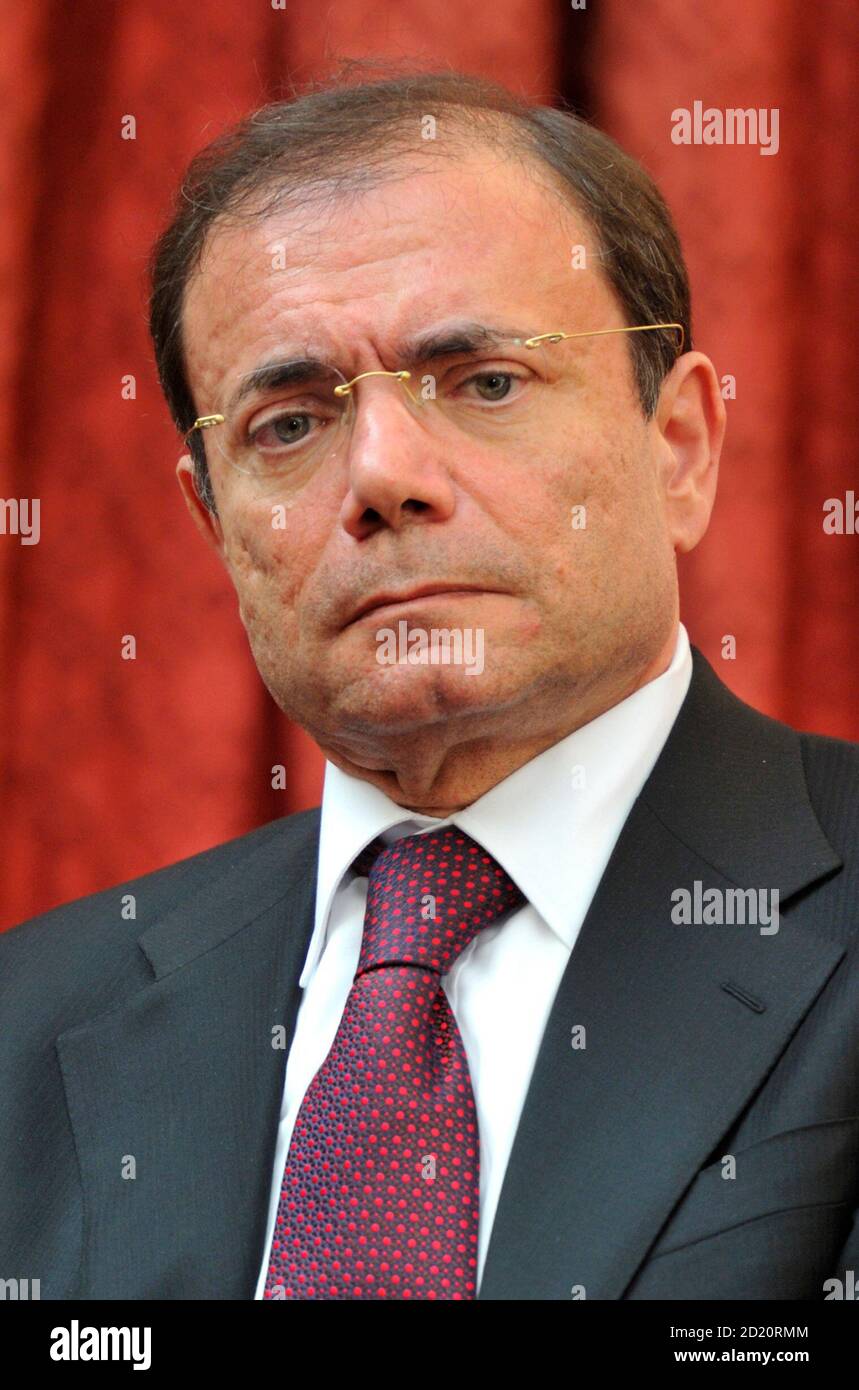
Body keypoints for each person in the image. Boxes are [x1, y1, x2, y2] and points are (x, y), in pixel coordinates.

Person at [2, 69, 858, 1302]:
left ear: (678, 448)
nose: (383, 475)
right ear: (211, 524)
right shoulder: (25, 1024)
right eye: (289, 423)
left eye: (486, 381)